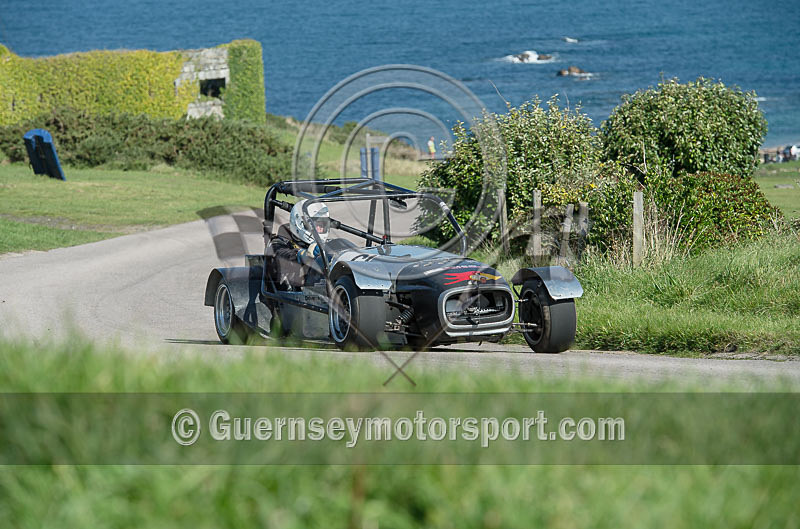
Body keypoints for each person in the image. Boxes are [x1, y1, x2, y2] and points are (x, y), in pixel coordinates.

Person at [266, 199, 330, 290]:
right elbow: (281, 254)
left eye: (322, 225)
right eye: (315, 225)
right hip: (290, 296)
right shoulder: (278, 243)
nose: (319, 229)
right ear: (299, 223)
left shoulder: (325, 245)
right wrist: (302, 255)